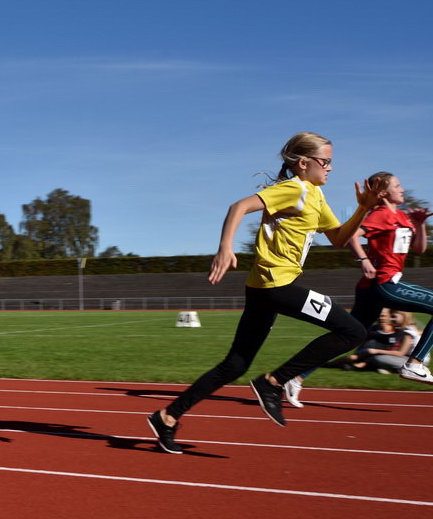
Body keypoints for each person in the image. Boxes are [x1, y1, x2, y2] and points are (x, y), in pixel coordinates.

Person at [146, 131, 380, 454]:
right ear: (302, 164)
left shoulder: (314, 195)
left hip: (263, 289)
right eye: (325, 161)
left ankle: (168, 416)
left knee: (236, 364)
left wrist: (363, 209)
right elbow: (238, 206)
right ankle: (272, 383)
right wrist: (225, 248)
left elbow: (339, 238)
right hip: (276, 285)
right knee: (353, 330)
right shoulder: (293, 190)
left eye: (331, 162)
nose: (330, 168)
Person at [285, 172, 433, 406]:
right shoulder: (380, 214)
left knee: (350, 336)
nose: (402, 189)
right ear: (383, 192)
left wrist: (420, 224)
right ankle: (415, 364)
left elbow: (419, 248)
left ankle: (294, 377)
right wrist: (362, 259)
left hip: (370, 290)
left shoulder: (403, 216)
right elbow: (351, 234)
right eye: (398, 185)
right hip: (384, 283)